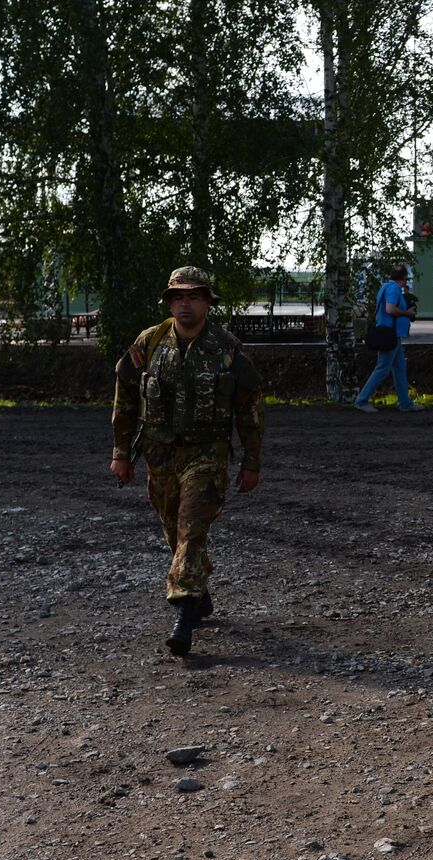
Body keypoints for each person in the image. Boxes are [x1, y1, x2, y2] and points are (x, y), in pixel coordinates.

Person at [109, 266, 265, 657]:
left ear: (208, 301)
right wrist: (121, 452)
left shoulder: (227, 348)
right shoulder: (150, 342)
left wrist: (252, 461)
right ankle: (200, 592)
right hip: (160, 457)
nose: (185, 304)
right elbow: (125, 395)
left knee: (192, 529)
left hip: (207, 456)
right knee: (175, 533)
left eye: (194, 296)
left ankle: (183, 611)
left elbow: (249, 407)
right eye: (178, 297)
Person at [354, 263, 423, 412]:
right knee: (383, 368)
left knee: (399, 367)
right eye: (406, 278)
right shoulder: (393, 289)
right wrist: (408, 313)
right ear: (403, 278)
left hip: (391, 334)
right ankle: (361, 400)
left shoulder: (386, 287)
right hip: (389, 334)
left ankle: (405, 403)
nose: (406, 281)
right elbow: (390, 309)